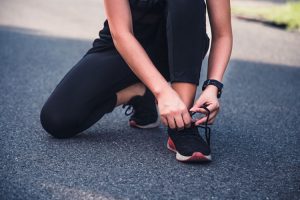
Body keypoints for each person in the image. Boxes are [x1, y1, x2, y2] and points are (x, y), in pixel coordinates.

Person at [40, 0, 232, 162]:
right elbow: (121, 34)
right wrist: (161, 92)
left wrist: (213, 86)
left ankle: (181, 125)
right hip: (124, 45)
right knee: (57, 119)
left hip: (178, 48)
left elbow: (222, 34)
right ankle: (139, 93)